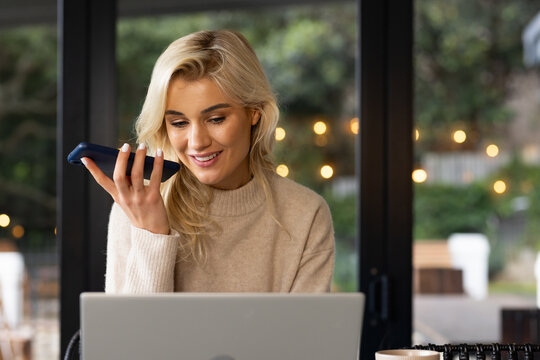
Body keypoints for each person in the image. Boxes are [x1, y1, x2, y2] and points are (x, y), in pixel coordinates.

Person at [82, 29, 335, 293]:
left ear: (254, 112)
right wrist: (152, 235)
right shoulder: (136, 207)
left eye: (216, 119)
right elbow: (129, 334)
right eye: (179, 123)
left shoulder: (305, 214)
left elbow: (307, 334)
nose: (197, 142)